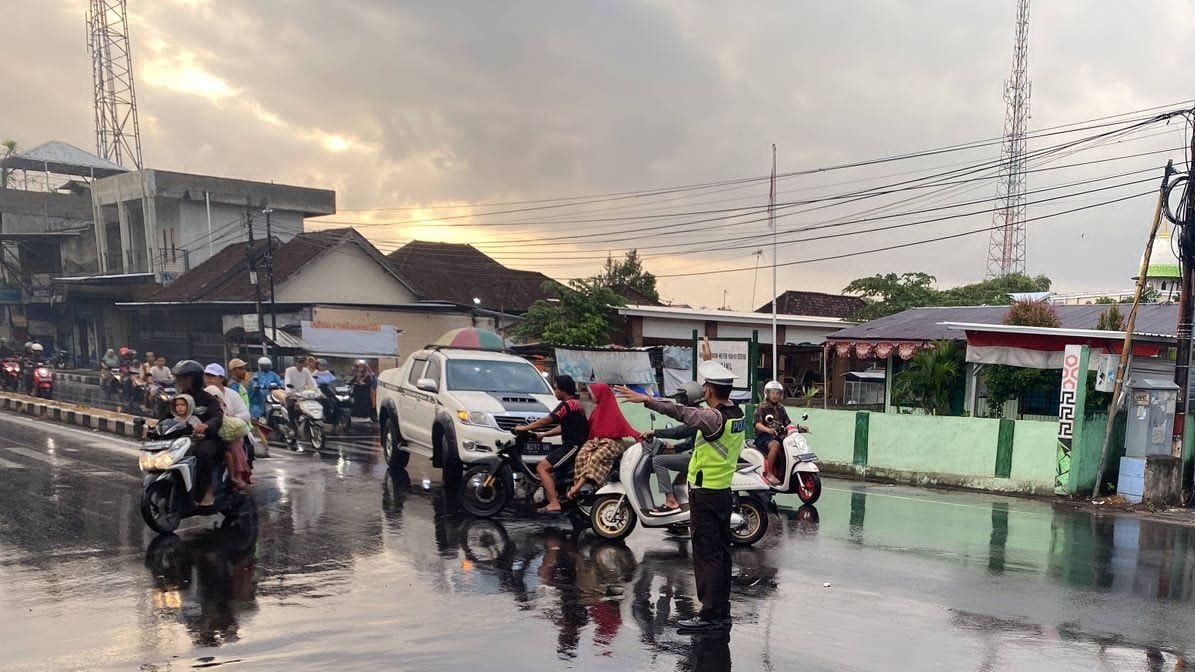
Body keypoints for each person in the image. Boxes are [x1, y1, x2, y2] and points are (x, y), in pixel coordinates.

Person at [616, 337, 744, 633]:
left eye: (706, 386)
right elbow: (713, 393)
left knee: (707, 556)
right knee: (721, 554)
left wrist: (647, 400)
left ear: (708, 390)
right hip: (722, 492)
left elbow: (682, 413)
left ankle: (710, 615)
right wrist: (709, 360)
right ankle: (720, 610)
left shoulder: (712, 418)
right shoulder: (735, 411)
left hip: (706, 496)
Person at [513, 375, 590, 513]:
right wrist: (543, 435)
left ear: (563, 390)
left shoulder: (567, 405)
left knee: (542, 468)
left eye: (556, 388)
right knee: (549, 471)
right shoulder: (576, 404)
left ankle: (554, 503)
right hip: (572, 445)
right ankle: (553, 497)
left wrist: (524, 428)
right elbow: (564, 427)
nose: (554, 391)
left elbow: (547, 420)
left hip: (572, 446)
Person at [564, 382, 642, 501]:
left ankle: (577, 487)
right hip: (596, 441)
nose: (592, 397)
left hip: (613, 443)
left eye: (593, 394)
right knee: (581, 455)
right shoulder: (597, 410)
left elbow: (621, 429)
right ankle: (578, 485)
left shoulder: (612, 409)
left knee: (595, 459)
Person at [643, 381, 704, 513]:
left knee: (658, 461)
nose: (679, 400)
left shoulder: (697, 414)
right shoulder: (699, 412)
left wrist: (655, 432)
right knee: (677, 484)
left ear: (690, 397)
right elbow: (691, 442)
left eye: (682, 397)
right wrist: (675, 448)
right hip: (698, 456)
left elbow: (679, 432)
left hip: (698, 459)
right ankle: (682, 516)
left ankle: (670, 501)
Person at [171, 360, 226, 506]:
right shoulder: (178, 399)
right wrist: (152, 430)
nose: (180, 381)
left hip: (208, 439)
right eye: (178, 378)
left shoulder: (208, 398)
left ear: (194, 379)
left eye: (184, 378)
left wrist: (206, 426)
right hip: (183, 439)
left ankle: (207, 492)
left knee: (201, 454)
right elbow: (167, 417)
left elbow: (217, 417)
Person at [755, 380, 791, 485]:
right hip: (763, 437)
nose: (775, 395)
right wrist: (768, 430)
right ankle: (769, 474)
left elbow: (787, 422)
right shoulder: (761, 407)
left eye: (777, 393)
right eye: (772, 393)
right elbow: (757, 424)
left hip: (778, 435)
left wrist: (798, 428)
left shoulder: (781, 408)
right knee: (775, 445)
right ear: (767, 393)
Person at [249, 356, 283, 421]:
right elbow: (253, 384)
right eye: (264, 365)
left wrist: (281, 385)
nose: (266, 367)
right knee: (256, 414)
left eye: (267, 365)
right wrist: (257, 387)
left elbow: (280, 382)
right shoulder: (256, 375)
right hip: (259, 399)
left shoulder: (273, 374)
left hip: (272, 398)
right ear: (260, 366)